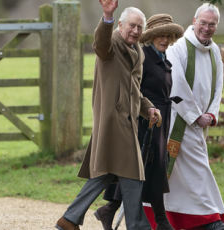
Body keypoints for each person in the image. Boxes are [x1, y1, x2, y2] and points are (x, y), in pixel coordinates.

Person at [55, 0, 161, 230]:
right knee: (133, 173)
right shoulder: (111, 43)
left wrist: (148, 108)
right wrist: (107, 16)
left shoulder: (137, 51)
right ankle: (138, 226)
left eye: (139, 27)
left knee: (106, 173)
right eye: (131, 26)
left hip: (128, 121)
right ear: (120, 25)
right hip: (113, 121)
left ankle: (70, 219)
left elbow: (134, 90)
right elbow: (100, 44)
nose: (135, 31)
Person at [94, 14, 184, 230]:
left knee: (149, 168)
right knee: (145, 168)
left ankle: (109, 209)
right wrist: (143, 111)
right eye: (160, 35)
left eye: (168, 36)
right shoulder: (143, 56)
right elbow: (134, 89)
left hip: (160, 119)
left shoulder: (163, 58)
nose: (164, 39)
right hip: (144, 122)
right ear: (151, 37)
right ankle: (161, 221)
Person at [162, 3, 224, 230]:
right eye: (203, 23)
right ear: (194, 21)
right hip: (178, 122)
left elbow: (218, 85)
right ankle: (210, 221)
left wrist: (212, 113)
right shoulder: (179, 48)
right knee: (198, 170)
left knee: (179, 177)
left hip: (200, 123)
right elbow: (176, 85)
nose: (206, 28)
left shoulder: (214, 51)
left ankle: (169, 220)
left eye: (212, 24)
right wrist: (195, 115)